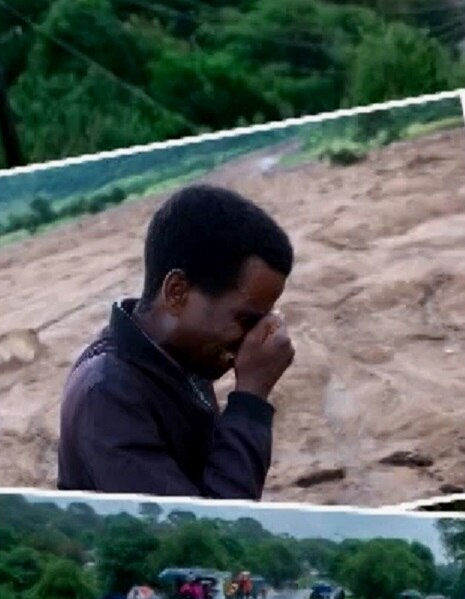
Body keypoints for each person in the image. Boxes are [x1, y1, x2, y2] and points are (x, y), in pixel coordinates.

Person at [58, 185, 296, 497]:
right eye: (246, 320)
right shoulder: (107, 395)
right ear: (177, 293)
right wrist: (251, 399)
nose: (251, 339)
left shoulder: (181, 358)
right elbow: (203, 535)